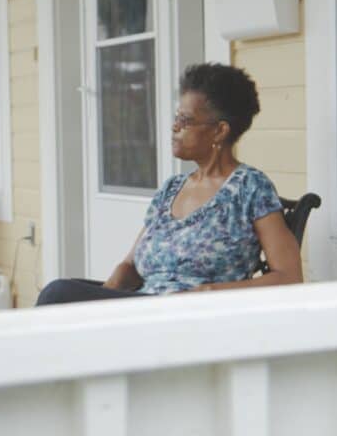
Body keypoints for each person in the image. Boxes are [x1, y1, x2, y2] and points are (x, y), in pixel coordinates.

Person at [36, 63, 303, 305]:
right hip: (144, 310)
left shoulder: (250, 188)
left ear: (220, 131)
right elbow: (131, 264)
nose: (174, 127)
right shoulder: (171, 189)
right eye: (176, 118)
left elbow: (289, 276)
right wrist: (105, 297)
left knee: (57, 295)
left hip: (192, 319)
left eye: (184, 121)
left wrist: (210, 292)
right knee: (62, 295)